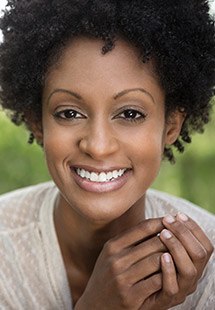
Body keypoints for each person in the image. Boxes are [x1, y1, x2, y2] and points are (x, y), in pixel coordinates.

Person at [0, 0, 214, 309]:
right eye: (70, 113)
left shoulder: (210, 267)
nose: (98, 146)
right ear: (37, 122)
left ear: (171, 125)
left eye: (129, 113)